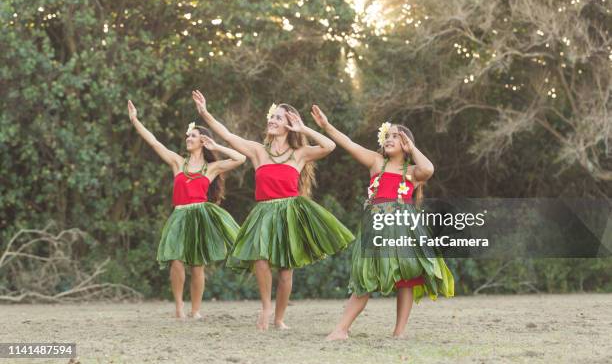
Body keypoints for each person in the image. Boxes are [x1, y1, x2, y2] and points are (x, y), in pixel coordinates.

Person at [191, 90, 355, 330]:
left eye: (279, 117)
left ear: (289, 125)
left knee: (286, 271)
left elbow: (329, 145)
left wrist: (305, 129)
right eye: (273, 116)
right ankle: (266, 308)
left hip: (289, 212)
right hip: (264, 212)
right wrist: (204, 112)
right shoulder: (259, 151)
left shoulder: (299, 154)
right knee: (260, 259)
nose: (272, 120)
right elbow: (227, 135)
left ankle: (279, 318)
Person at [310, 106, 454, 340]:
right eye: (388, 135)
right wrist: (326, 126)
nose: (390, 139)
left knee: (406, 280)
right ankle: (341, 329)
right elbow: (348, 143)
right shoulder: (377, 162)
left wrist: (412, 148)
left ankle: (399, 332)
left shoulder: (412, 171)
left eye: (397, 136)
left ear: (406, 143)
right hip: (376, 228)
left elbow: (429, 169)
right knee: (366, 276)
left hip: (403, 229)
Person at [128, 100, 246, 319]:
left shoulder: (210, 168)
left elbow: (241, 158)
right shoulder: (177, 162)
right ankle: (179, 307)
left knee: (197, 265)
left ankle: (196, 310)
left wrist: (217, 146)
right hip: (179, 215)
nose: (188, 138)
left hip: (200, 216)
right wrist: (135, 119)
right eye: (188, 135)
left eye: (192, 136)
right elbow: (154, 142)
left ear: (202, 141)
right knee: (175, 259)